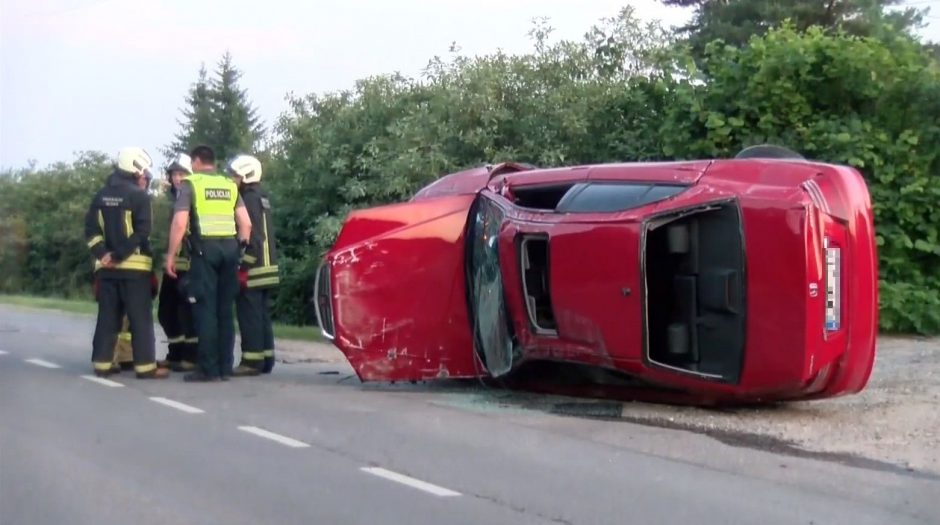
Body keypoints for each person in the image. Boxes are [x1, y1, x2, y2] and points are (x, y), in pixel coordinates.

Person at [165, 145, 251, 382]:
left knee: (206, 310)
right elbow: (246, 223)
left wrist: (171, 255)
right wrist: (239, 249)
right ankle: (225, 367)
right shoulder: (229, 185)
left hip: (205, 252)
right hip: (230, 252)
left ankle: (208, 368)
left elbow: (180, 224)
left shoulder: (191, 184)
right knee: (225, 310)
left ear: (195, 161)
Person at [85, 147, 168, 379]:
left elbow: (91, 231)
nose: (144, 175)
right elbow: (142, 232)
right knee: (140, 318)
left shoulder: (100, 195)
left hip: (106, 270)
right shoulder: (139, 196)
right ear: (135, 168)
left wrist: (104, 255)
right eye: (143, 170)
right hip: (134, 269)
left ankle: (102, 364)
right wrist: (120, 255)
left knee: (108, 317)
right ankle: (145, 367)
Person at [227, 154, 280, 376]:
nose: (232, 180)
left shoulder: (247, 199)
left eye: (235, 176)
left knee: (249, 317)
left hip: (254, 269)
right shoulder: (262, 197)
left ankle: (251, 362)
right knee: (261, 316)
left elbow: (254, 238)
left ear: (246, 175)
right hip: (268, 268)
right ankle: (266, 359)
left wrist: (242, 266)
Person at [156, 153, 199, 372]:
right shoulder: (172, 199)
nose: (177, 178)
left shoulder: (192, 196)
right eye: (174, 173)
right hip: (173, 262)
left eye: (182, 173)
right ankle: (176, 353)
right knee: (166, 311)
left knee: (187, 312)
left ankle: (190, 357)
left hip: (190, 263)